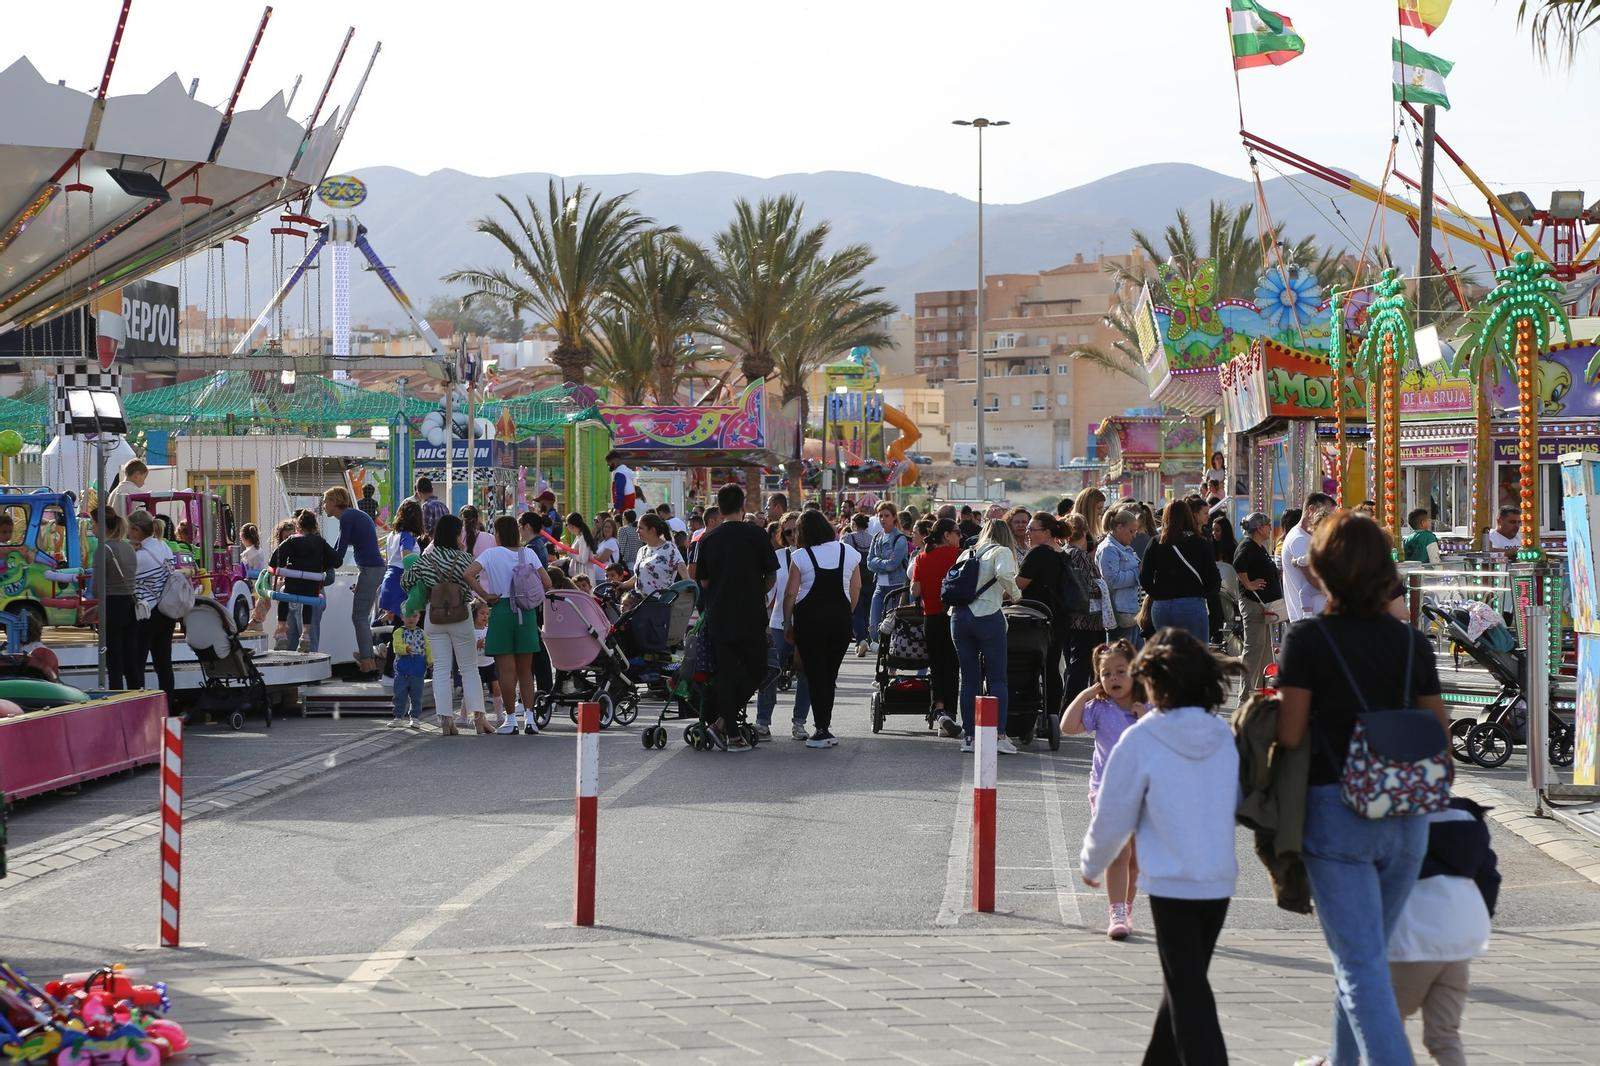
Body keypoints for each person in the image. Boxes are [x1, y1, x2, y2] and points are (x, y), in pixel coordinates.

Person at [1276, 510, 1447, 1065]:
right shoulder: (1410, 644)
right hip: (1407, 816)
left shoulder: (1308, 639)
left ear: (1321, 569)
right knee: (1366, 959)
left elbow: (1292, 731)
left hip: (1336, 810)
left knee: (1359, 964)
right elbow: (1440, 737)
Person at [1079, 628, 1239, 1064]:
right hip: (1219, 881)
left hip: (1173, 884)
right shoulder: (1221, 734)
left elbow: (1114, 813)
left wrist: (1092, 863)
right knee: (1184, 982)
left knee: (1189, 994)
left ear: (1153, 681)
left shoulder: (1142, 737)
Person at [1388, 799, 1499, 1066]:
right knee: (1444, 1035)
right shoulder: (1469, 819)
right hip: (1461, 935)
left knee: (1384, 1025)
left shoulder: (1398, 814)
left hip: (1414, 933)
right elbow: (1489, 877)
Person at [1061, 639, 1145, 940]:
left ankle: (1127, 906)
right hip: (1107, 790)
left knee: (1136, 859)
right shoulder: (1099, 707)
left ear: (1135, 671)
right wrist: (1085, 693)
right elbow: (1067, 728)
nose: (1113, 679)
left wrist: (1145, 718)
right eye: (1106, 674)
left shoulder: (1147, 707)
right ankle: (1117, 911)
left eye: (1121, 671)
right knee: (1119, 853)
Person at [694, 483, 778, 752]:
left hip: (719, 614)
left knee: (727, 673)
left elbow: (703, 581)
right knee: (757, 669)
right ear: (743, 506)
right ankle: (727, 729)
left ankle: (724, 726)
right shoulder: (757, 535)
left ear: (719, 508)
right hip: (751, 614)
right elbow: (772, 575)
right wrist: (756, 590)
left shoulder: (707, 539)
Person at [402, 514, 497, 736]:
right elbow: (474, 581)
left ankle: (446, 721)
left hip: (434, 619)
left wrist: (424, 592)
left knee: (441, 670)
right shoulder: (464, 559)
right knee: (469, 669)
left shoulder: (426, 559)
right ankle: (479, 720)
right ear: (456, 534)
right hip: (461, 617)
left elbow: (406, 581)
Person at [782, 509, 861, 748]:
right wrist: (847, 612)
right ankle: (824, 725)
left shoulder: (800, 556)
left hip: (810, 622)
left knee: (815, 674)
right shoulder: (848, 552)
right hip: (840, 621)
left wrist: (788, 622)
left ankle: (821, 728)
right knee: (830, 674)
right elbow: (855, 588)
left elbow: (791, 593)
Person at [951, 519, 1021, 755]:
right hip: (988, 615)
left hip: (959, 618)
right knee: (997, 678)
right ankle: (999, 734)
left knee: (968, 679)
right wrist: (1016, 593)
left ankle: (969, 736)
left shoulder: (967, 553)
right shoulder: (1001, 552)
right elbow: (1005, 576)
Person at [478, 514, 549, 735]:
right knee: (526, 671)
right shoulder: (527, 552)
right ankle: (530, 718)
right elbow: (547, 582)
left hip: (500, 611)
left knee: (506, 671)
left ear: (497, 534)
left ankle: (510, 720)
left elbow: (468, 574)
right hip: (525, 613)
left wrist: (485, 595)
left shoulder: (490, 554)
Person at [757, 514, 810, 740]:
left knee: (805, 673)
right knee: (770, 671)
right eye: (787, 532)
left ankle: (799, 722)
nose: (792, 536)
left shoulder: (811, 557)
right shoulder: (777, 557)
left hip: (806, 623)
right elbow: (768, 591)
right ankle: (762, 721)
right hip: (778, 622)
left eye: (796, 530)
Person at [1138, 499, 1221, 644]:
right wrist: (1200, 593)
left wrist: (1158, 594)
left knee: (1167, 656)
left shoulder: (1156, 543)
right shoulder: (1200, 543)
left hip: (1162, 607)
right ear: (1189, 517)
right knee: (1196, 656)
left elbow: (1144, 577)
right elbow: (1214, 579)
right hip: (1191, 604)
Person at [325, 486, 386, 677]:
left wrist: (323, 564)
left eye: (326, 502)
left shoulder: (347, 518)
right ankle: (367, 657)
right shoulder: (352, 515)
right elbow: (338, 546)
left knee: (359, 617)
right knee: (360, 616)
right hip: (370, 569)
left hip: (370, 569)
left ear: (335, 502)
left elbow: (339, 551)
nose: (324, 506)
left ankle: (368, 664)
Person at [1016, 512, 1071, 720]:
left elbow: (1019, 585)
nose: (1027, 532)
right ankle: (1052, 714)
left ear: (1046, 532)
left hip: (1036, 620)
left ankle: (1030, 712)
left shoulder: (1038, 554)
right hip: (1059, 617)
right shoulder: (1062, 553)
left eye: (1032, 529)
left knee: (1031, 665)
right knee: (1052, 666)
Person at [911, 517, 962, 738]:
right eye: (957, 532)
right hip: (953, 616)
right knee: (952, 666)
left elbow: (915, 590)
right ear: (947, 535)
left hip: (930, 618)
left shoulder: (922, 557)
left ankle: (939, 710)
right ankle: (949, 713)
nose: (960, 537)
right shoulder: (957, 556)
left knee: (936, 666)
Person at [268, 510, 340, 653]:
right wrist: (322, 565)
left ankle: (281, 630)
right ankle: (305, 635)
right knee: (309, 600)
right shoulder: (320, 543)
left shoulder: (292, 541)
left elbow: (274, 561)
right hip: (311, 589)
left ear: (298, 527)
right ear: (315, 527)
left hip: (292, 586)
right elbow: (337, 561)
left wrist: (284, 567)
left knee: (284, 595)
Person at [127, 509, 178, 705]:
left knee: (137, 661)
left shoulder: (140, 557)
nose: (128, 535)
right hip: (166, 611)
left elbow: (127, 580)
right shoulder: (163, 546)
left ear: (137, 530)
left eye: (129, 530)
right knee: (164, 662)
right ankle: (169, 705)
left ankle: (138, 705)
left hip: (147, 613)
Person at [1234, 512, 1284, 694]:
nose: (1270, 528)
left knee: (1263, 647)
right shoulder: (1247, 546)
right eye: (1268, 525)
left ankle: (1259, 688)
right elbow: (1238, 564)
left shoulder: (1259, 547)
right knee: (1254, 648)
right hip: (1254, 603)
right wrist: (1248, 583)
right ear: (1259, 528)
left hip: (1262, 604)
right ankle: (1245, 694)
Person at [94, 513, 140, 690]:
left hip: (111, 605)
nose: (93, 529)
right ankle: (136, 696)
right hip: (129, 603)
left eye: (94, 524)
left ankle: (117, 694)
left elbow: (97, 587)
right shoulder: (129, 548)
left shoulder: (103, 549)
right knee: (130, 658)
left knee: (114, 659)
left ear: (103, 527)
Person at [865, 502, 910, 653]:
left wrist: (878, 561)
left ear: (893, 517)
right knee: (874, 626)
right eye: (880, 516)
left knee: (891, 628)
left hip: (896, 587)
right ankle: (882, 656)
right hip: (879, 586)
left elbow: (893, 564)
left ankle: (890, 664)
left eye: (887, 516)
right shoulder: (877, 537)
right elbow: (869, 563)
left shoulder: (900, 539)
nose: (883, 519)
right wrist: (880, 561)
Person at [1281, 493, 1334, 621]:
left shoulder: (1310, 537)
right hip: (1310, 622)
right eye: (1326, 513)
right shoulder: (1299, 539)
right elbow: (1314, 579)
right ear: (1311, 509)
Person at [1097, 506, 1143, 645]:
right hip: (1120, 614)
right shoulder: (1109, 549)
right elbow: (1112, 580)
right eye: (1131, 531)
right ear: (1119, 527)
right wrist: (1138, 572)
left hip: (1132, 612)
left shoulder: (1124, 548)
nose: (1134, 536)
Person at [379, 500, 424, 621]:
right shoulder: (407, 536)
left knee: (392, 632)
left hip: (389, 581)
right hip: (401, 584)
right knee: (404, 629)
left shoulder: (392, 535)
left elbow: (389, 560)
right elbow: (407, 558)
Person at [624, 513, 687, 597]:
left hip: (660, 604)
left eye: (640, 528)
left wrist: (689, 587)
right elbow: (639, 575)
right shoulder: (642, 550)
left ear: (652, 530)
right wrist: (623, 584)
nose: (637, 530)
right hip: (640, 603)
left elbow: (682, 569)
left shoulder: (669, 548)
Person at [390, 612, 429, 729]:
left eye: (414, 616)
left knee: (417, 695)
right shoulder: (398, 632)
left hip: (418, 669)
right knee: (399, 694)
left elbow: (428, 648)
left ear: (419, 617)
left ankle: (415, 717)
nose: (411, 619)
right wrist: (405, 648)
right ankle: (398, 717)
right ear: (402, 617)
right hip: (402, 669)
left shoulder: (422, 633)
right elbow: (396, 647)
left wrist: (430, 660)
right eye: (408, 616)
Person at [844, 514, 875, 656]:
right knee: (869, 609)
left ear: (854, 524)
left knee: (856, 609)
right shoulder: (873, 538)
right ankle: (869, 638)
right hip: (870, 577)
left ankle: (861, 639)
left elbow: (845, 558)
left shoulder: (848, 538)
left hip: (855, 577)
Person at [565, 511, 598, 583]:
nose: (567, 527)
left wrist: (570, 553)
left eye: (567, 524)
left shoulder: (582, 538)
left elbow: (584, 559)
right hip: (580, 573)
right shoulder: (578, 536)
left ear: (572, 525)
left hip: (585, 574)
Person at [615, 509, 641, 578]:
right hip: (638, 562)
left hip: (627, 564)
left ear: (625, 518)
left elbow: (621, 548)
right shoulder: (638, 529)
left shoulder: (623, 529)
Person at [593, 516, 620, 581]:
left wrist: (592, 556)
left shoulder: (612, 542)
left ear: (613, 530)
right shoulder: (604, 542)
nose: (606, 529)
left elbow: (602, 559)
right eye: (605, 527)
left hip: (605, 578)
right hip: (598, 577)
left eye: (609, 527)